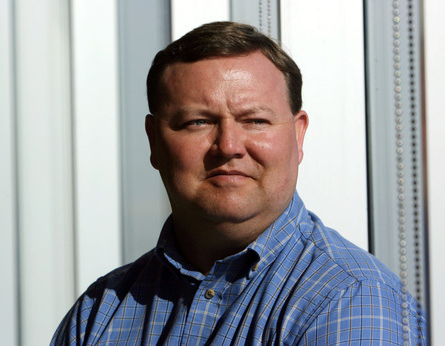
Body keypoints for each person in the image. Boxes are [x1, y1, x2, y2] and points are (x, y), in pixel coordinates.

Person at [51, 21, 426, 344]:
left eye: (255, 120)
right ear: (153, 142)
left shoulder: (350, 302)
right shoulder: (98, 314)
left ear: (298, 137)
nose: (228, 146)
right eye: (197, 122)